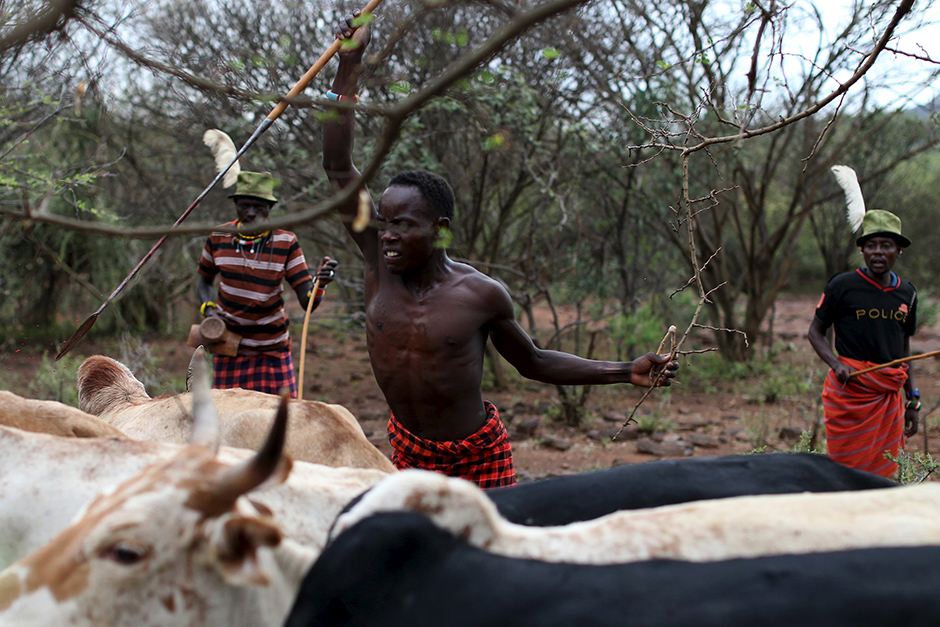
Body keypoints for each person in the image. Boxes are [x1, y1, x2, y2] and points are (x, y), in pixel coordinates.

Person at [321, 17, 678, 489]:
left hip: (477, 457)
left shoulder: (479, 295)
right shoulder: (377, 267)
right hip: (406, 449)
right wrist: (349, 64)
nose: (387, 236)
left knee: (491, 557)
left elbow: (533, 361)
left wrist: (623, 370)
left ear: (440, 230)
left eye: (403, 226)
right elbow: (338, 166)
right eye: (384, 224)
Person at [196, 170, 338, 397]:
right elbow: (204, 281)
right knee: (227, 421)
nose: (251, 213)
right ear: (236, 206)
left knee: (282, 421)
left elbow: (307, 300)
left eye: (259, 207)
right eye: (245, 206)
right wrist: (209, 310)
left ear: (270, 208)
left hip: (272, 350)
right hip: (229, 346)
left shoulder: (286, 241)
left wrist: (320, 283)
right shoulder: (219, 237)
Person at [808, 209, 919, 478]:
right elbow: (815, 332)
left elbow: (903, 349)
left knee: (883, 474)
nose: (878, 252)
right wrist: (836, 364)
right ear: (862, 251)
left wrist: (912, 398)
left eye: (886, 245)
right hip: (849, 394)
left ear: (899, 250)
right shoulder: (842, 285)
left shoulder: (907, 293)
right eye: (871, 246)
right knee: (844, 473)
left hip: (887, 396)